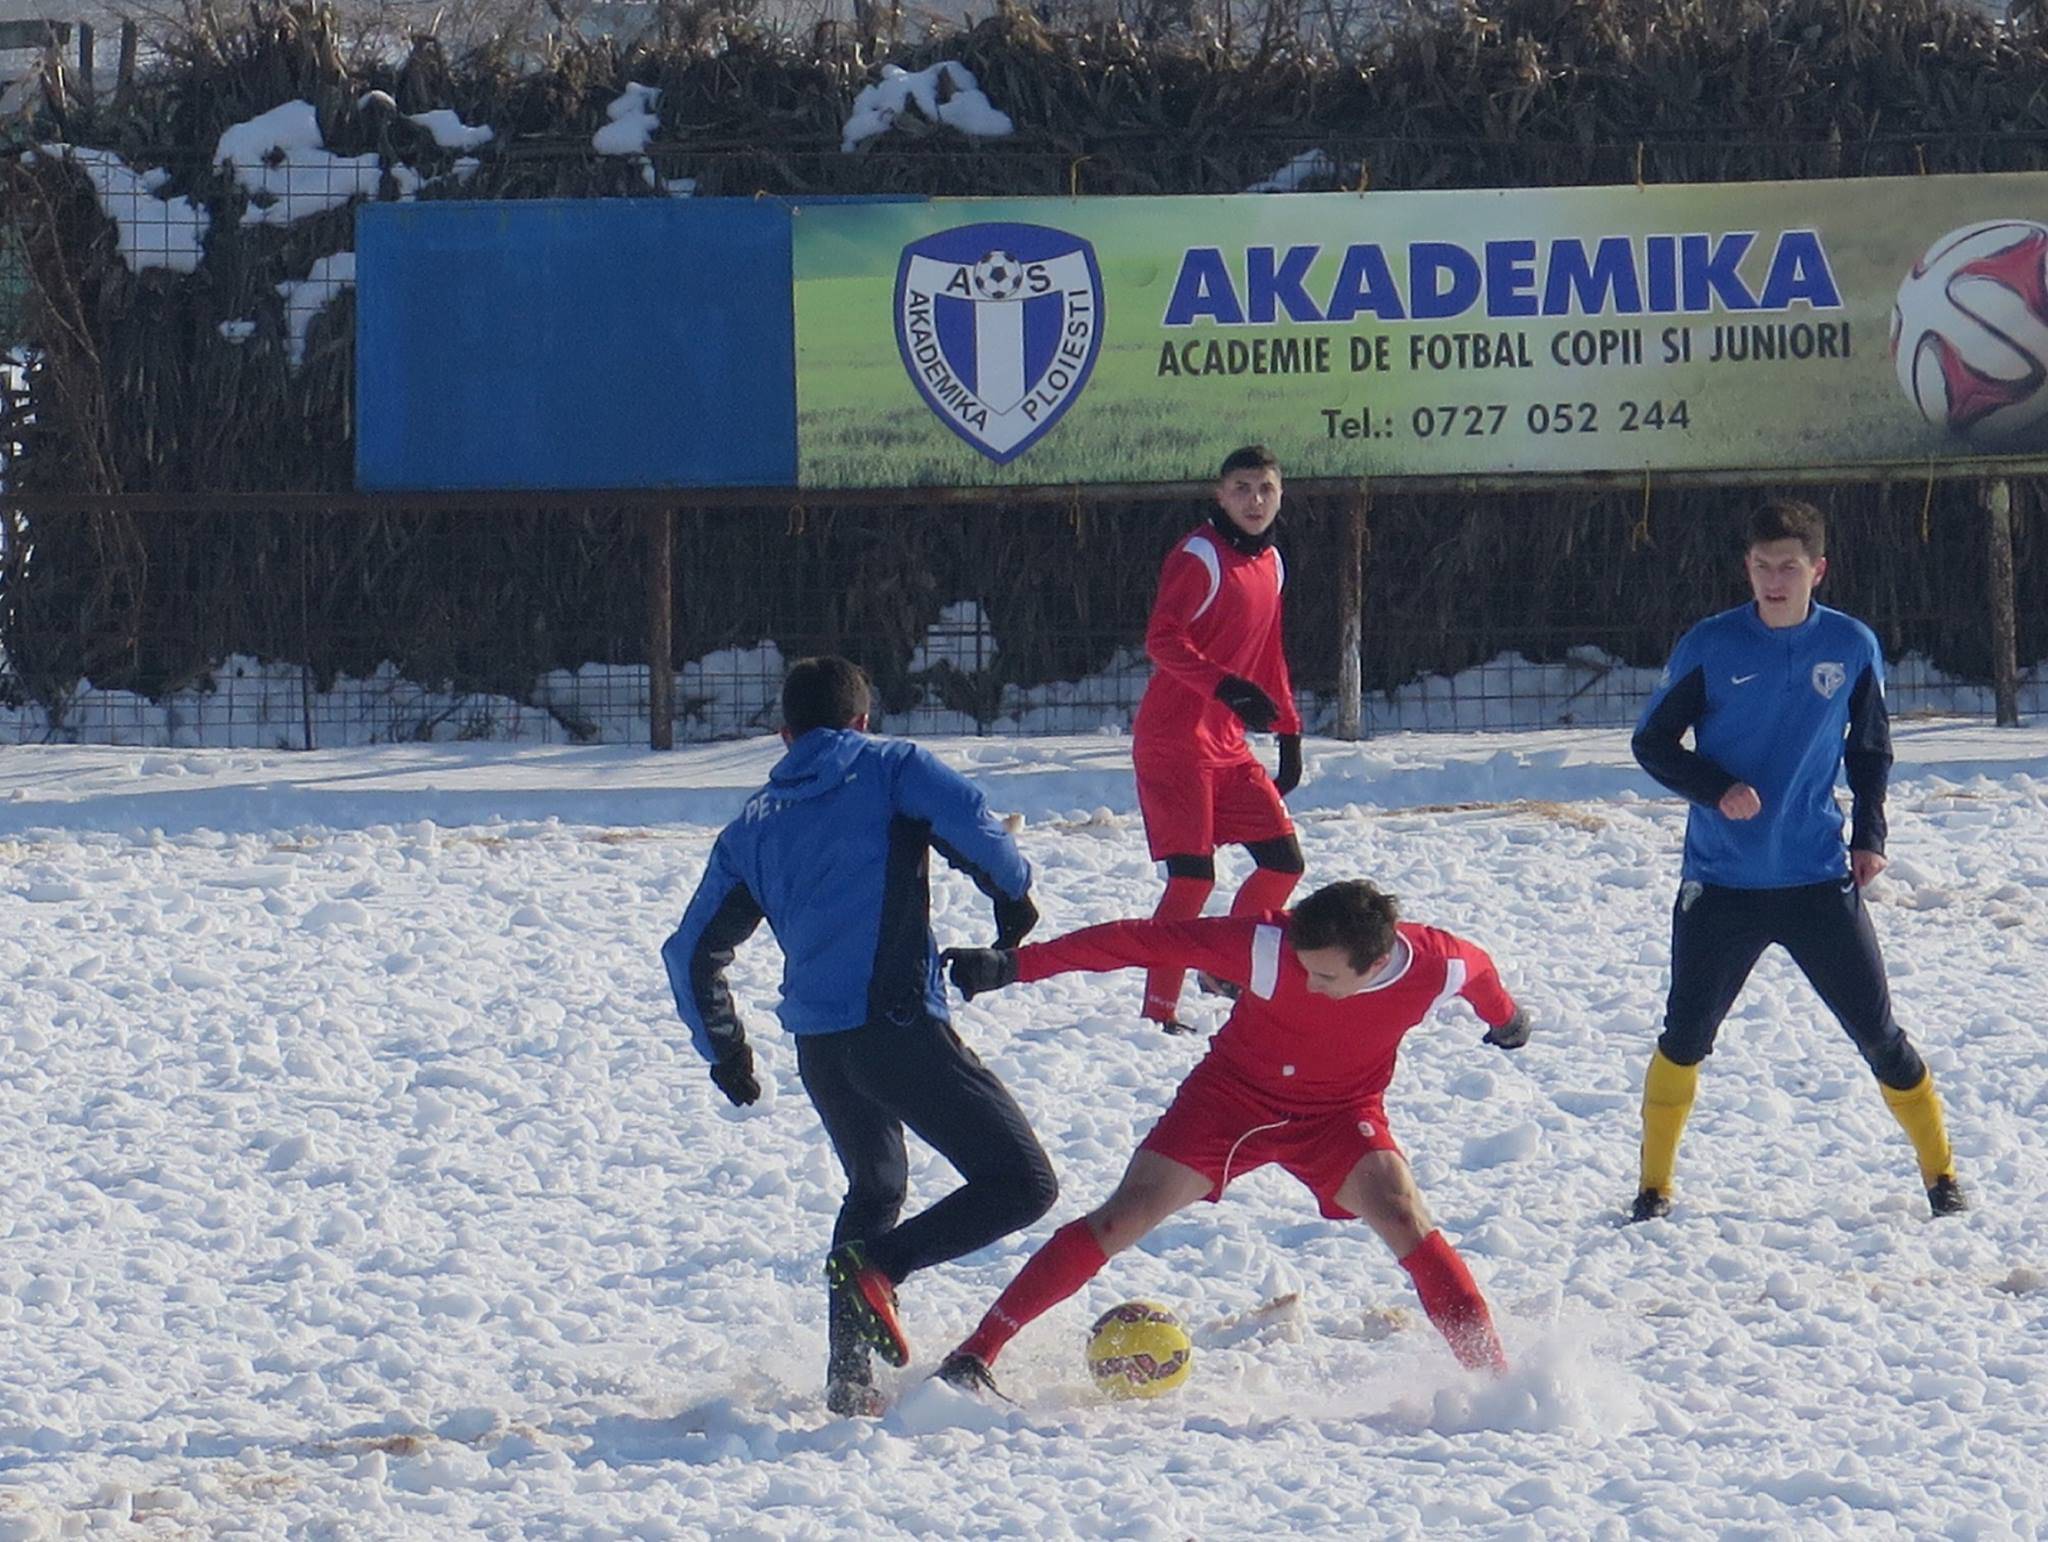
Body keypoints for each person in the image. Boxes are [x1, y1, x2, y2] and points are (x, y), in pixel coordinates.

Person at [931, 880, 1531, 1394]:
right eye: (1304, 965)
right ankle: (975, 1354)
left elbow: (1482, 977)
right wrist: (1015, 965)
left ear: (1374, 964)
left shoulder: (1437, 962)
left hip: (1339, 1116)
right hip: (1229, 1103)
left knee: (1404, 1217)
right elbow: (1138, 940)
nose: (1309, 980)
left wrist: (1506, 1020)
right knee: (1124, 1216)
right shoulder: (1268, 946)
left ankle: (1495, 1385)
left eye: (1324, 974)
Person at [661, 656, 1058, 1416]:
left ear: (784, 735)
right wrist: (1015, 900)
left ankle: (849, 1383)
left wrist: (727, 1051)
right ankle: (884, 1267)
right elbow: (974, 823)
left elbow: (691, 953)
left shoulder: (750, 824)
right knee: (1023, 1183)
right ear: (862, 721)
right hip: (898, 1026)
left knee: (875, 1186)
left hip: (823, 1048)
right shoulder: (890, 767)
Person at [1628, 498, 1964, 1224]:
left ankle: (1942, 1178)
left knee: (1880, 1036)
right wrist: (1716, 790)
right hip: (1722, 884)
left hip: (1816, 879)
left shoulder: (1850, 644)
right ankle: (1653, 1188)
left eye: (1788, 567)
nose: (1773, 580)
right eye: (1760, 567)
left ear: (1818, 570)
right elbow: (1651, 745)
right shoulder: (1711, 645)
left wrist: (1869, 834)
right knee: (1685, 1037)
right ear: (1746, 569)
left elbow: (1869, 747)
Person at [1131, 444, 1307, 1033]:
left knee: (1283, 863)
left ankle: (1224, 965)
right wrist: (1226, 688)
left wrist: (1288, 730)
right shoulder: (1199, 555)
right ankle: (1159, 1010)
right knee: (1192, 880)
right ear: (1219, 494)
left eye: (1265, 489)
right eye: (1241, 489)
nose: (1254, 501)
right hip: (1174, 742)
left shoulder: (1273, 562)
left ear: (1281, 494)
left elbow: (1270, 652)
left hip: (1227, 746)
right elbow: (1162, 640)